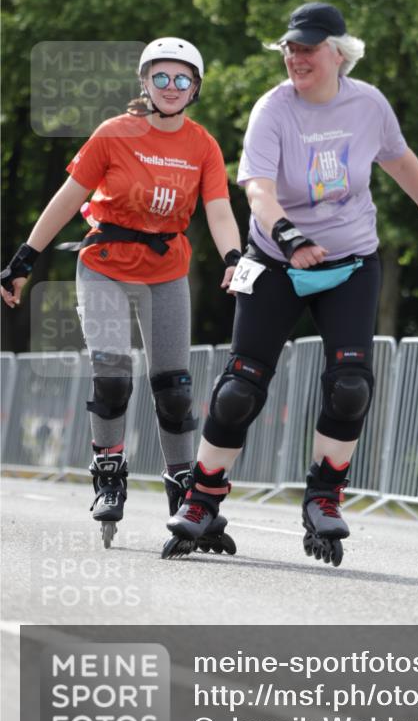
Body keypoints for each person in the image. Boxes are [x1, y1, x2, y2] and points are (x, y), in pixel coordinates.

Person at [162, 3, 418, 566]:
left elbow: (399, 160)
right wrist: (289, 235)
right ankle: (203, 498)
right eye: (290, 49)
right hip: (276, 260)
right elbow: (256, 188)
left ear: (337, 52)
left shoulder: (368, 103)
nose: (295, 58)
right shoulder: (273, 109)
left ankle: (324, 496)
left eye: (307, 48)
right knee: (240, 389)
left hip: (349, 262)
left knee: (351, 385)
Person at [1, 37, 242, 552]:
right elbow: (69, 198)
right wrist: (25, 258)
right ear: (144, 82)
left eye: (183, 79)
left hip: (166, 270)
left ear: (195, 88)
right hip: (106, 265)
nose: (172, 88)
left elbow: (219, 210)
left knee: (174, 389)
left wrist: (233, 259)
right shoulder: (113, 134)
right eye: (162, 77)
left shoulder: (202, 145)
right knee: (112, 375)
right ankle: (110, 472)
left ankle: (186, 495)